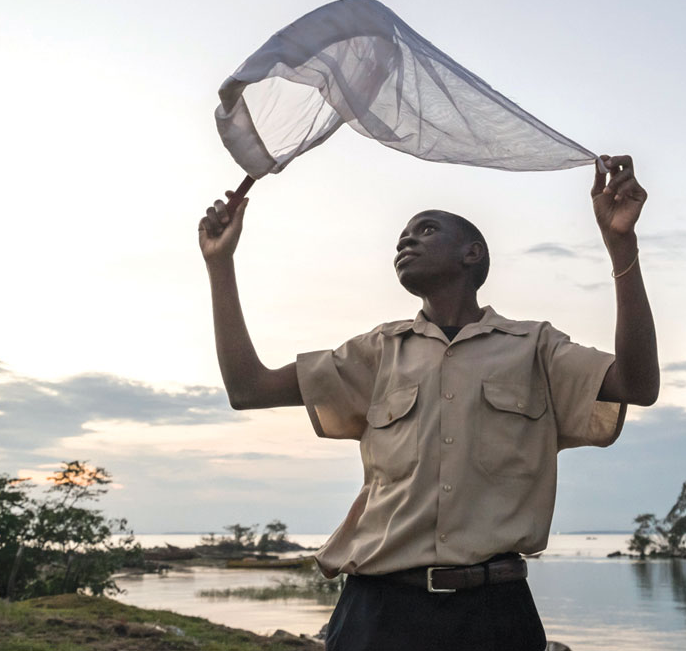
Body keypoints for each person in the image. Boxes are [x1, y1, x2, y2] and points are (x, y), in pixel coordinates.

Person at [197, 154, 659, 651]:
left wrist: (621, 245)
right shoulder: (377, 352)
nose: (406, 240)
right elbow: (248, 389)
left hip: (495, 615)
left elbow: (637, 384)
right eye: (402, 236)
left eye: (426, 230)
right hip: (377, 612)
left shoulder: (536, 348)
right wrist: (219, 263)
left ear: (471, 253)